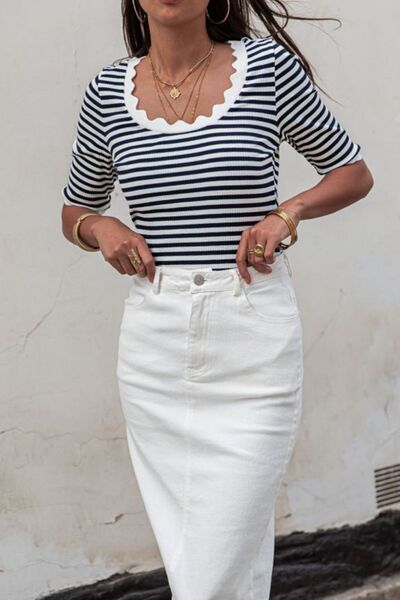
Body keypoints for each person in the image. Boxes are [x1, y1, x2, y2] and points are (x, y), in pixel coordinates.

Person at [61, 0, 374, 597]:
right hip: (155, 347)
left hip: (251, 337)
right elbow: (77, 208)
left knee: (215, 560)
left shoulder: (266, 71)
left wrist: (287, 214)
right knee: (221, 560)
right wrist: (101, 228)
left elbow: (352, 173)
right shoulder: (107, 92)